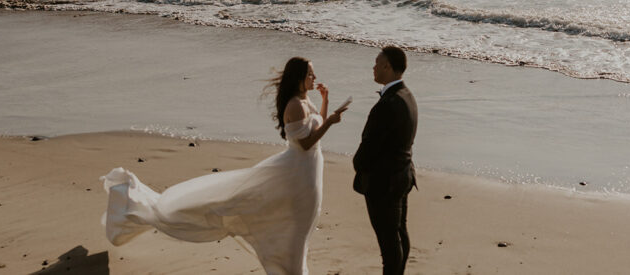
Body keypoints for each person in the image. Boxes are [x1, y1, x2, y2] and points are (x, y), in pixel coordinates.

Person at [102, 57, 348, 275]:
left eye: (313, 73)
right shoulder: (294, 105)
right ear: (298, 77)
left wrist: (326, 102)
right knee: (291, 223)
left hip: (309, 172)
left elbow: (317, 127)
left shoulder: (306, 99)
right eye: (310, 74)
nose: (314, 77)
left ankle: (292, 267)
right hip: (295, 172)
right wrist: (331, 122)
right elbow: (305, 144)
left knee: (303, 222)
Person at [352, 47, 418, 275]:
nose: (373, 67)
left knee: (389, 243)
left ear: (387, 67)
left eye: (376, 62)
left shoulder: (387, 105)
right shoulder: (408, 96)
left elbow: (369, 146)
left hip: (384, 183)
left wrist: (358, 164)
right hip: (403, 175)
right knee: (400, 234)